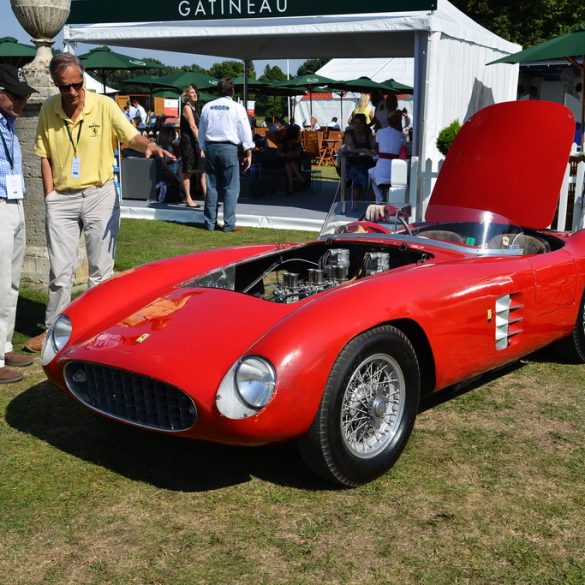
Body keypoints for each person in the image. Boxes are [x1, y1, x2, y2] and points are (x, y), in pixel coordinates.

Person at [25, 53, 174, 352]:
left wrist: (150, 145)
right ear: (56, 84)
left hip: (99, 195)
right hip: (62, 199)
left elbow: (131, 136)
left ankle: (98, 329)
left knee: (101, 272)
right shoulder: (49, 108)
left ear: (83, 79)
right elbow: (44, 155)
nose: (71, 92)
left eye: (76, 85)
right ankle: (54, 329)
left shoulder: (104, 105)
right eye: (64, 86)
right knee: (59, 272)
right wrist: (50, 196)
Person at [0, 65, 36, 382]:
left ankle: (5, 344)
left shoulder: (10, 123)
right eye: (17, 95)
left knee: (11, 282)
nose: (22, 102)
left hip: (15, 202)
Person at [198, 77, 254, 232]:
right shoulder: (237, 107)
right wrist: (248, 152)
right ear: (233, 90)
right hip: (229, 148)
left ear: (218, 90)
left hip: (210, 147)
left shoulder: (207, 107)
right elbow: (245, 132)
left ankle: (210, 223)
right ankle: (229, 224)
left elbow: (201, 131)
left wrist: (202, 148)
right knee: (231, 188)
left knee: (212, 187)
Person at [368, 110, 407, 202]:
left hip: (382, 168)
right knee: (374, 173)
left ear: (388, 121)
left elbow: (373, 145)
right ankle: (382, 199)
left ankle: (379, 200)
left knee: (371, 174)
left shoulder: (380, 132)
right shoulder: (401, 135)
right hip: (396, 170)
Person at [180, 84, 206, 208]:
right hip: (189, 143)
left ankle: (208, 197)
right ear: (187, 95)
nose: (194, 94)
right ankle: (188, 199)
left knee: (202, 170)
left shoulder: (194, 108)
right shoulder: (187, 108)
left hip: (195, 142)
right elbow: (193, 127)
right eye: (192, 92)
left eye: (195, 91)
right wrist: (202, 143)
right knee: (188, 171)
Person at [343, 112, 376, 203]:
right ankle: (356, 204)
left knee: (373, 170)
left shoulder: (368, 132)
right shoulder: (349, 133)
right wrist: (364, 150)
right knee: (358, 173)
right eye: (356, 123)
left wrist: (375, 139)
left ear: (364, 124)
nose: (358, 125)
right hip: (351, 161)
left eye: (361, 123)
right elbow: (351, 149)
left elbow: (373, 147)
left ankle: (359, 204)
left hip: (367, 161)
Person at [277, 125, 306, 193]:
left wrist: (293, 154)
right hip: (283, 159)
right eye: (298, 132)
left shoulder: (297, 143)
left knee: (289, 163)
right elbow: (278, 153)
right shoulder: (283, 141)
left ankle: (291, 186)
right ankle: (299, 178)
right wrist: (284, 154)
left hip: (295, 160)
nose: (299, 133)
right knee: (288, 162)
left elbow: (297, 154)